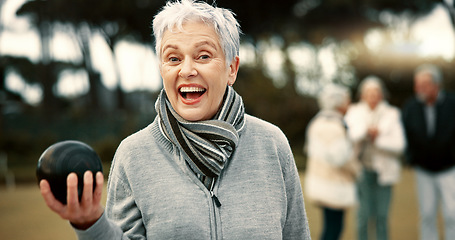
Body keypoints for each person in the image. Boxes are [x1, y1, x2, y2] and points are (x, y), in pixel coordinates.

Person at [38, 0, 311, 239]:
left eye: (203, 55)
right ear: (161, 69)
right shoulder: (133, 155)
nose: (187, 69)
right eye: (173, 58)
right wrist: (91, 224)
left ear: (231, 69)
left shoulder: (272, 144)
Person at [344, 76, 406, 240]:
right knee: (363, 217)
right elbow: (351, 136)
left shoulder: (392, 113)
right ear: (362, 95)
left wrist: (377, 139)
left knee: (382, 217)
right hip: (361, 171)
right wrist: (366, 132)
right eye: (368, 93)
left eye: (376, 93)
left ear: (382, 95)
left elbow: (399, 145)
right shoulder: (354, 112)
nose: (372, 97)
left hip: (384, 174)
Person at [402, 64, 455, 240]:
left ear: (436, 84)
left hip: (449, 168)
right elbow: (405, 135)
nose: (419, 88)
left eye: (424, 84)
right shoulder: (411, 107)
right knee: (427, 214)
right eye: (417, 84)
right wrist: (411, 158)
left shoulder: (452, 103)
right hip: (423, 170)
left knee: (452, 214)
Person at [304, 84, 360, 240]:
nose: (349, 104)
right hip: (333, 185)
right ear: (338, 103)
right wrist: (357, 169)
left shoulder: (318, 122)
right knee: (334, 229)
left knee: (331, 227)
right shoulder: (333, 126)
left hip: (323, 182)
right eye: (347, 100)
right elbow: (341, 158)